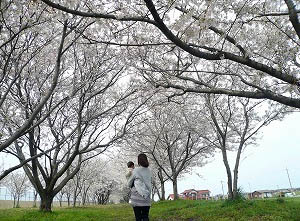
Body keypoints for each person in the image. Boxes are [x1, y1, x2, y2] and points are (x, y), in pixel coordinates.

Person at [127, 153, 152, 221]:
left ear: (139, 161)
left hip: (137, 197)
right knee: (145, 217)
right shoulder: (149, 171)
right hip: (147, 197)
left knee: (138, 218)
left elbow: (129, 184)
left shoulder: (136, 170)